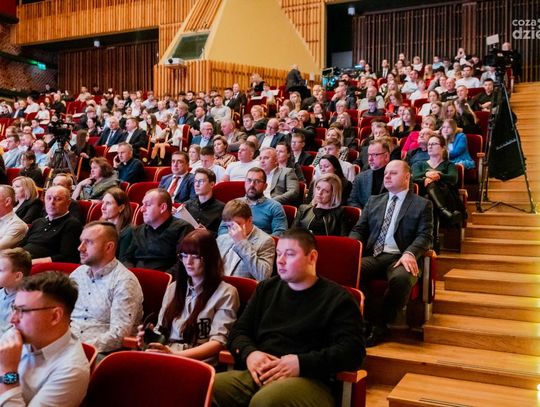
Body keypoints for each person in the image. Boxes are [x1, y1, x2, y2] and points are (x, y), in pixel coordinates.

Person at [212, 228, 365, 407]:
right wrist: (250, 353)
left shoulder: (338, 299)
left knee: (266, 401)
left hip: (310, 378)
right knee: (206, 387)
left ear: (312, 257)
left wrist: (300, 363)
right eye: (279, 254)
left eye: (290, 254)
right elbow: (238, 333)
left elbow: (352, 351)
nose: (281, 261)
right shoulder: (266, 289)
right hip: (261, 372)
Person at [349, 160, 433, 346]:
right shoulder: (374, 201)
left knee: (401, 279)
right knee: (348, 270)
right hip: (375, 255)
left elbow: (425, 236)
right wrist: (352, 247)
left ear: (407, 177)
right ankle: (367, 319)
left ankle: (379, 324)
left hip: (401, 257)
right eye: (386, 173)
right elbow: (359, 229)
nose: (386, 176)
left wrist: (410, 253)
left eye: (393, 173)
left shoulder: (422, 204)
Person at [136, 229, 239, 364]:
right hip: (167, 354)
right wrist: (149, 340)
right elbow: (161, 331)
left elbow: (218, 342)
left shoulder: (226, 293)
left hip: (198, 361)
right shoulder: (174, 288)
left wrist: (175, 355)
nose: (188, 262)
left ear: (209, 258)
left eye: (195, 256)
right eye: (184, 255)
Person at [0, 271, 90, 406]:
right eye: (14, 308)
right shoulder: (18, 333)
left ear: (55, 316)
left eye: (22, 311)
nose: (12, 319)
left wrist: (8, 371)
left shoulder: (71, 370)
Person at [70, 221, 143, 354]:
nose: (80, 248)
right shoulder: (78, 274)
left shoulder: (124, 281)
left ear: (108, 247)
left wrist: (78, 349)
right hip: (69, 346)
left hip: (101, 353)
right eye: (81, 241)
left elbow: (118, 335)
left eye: (89, 242)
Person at [122, 189, 194, 273]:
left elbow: (182, 263)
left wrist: (161, 278)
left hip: (165, 278)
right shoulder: (139, 229)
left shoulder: (183, 228)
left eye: (148, 205)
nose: (142, 209)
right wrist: (131, 274)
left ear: (163, 208)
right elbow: (127, 258)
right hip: (136, 277)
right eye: (143, 204)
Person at [412, 135, 464, 245]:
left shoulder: (449, 164)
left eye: (434, 144)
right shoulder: (419, 164)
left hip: (446, 198)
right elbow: (413, 177)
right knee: (429, 199)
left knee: (429, 199)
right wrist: (426, 175)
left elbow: (453, 178)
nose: (430, 146)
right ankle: (444, 212)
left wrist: (439, 176)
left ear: (443, 148)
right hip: (422, 198)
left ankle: (433, 243)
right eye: (429, 144)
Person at [21, 186, 83, 264]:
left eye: (58, 199)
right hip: (21, 261)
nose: (52, 202)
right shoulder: (37, 222)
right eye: (48, 198)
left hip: (42, 267)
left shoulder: (72, 225)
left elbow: (68, 257)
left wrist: (33, 262)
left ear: (68, 203)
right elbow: (22, 244)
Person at [216, 199, 275, 281]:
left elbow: (263, 276)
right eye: (229, 226)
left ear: (250, 220)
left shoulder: (266, 241)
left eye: (237, 224)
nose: (232, 230)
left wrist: (241, 242)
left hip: (241, 287)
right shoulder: (222, 239)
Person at [219, 168, 288, 237]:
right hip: (233, 241)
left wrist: (253, 241)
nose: (252, 185)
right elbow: (222, 229)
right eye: (249, 180)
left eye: (257, 181)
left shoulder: (274, 207)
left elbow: (280, 233)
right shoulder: (234, 204)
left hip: (261, 242)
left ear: (265, 186)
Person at [349, 139, 391, 209]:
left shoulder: (398, 177)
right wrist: (364, 214)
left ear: (386, 156)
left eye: (374, 155)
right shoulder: (360, 178)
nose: (370, 159)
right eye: (369, 155)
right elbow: (353, 201)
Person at [183, 168, 225, 235]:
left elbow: (223, 234)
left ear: (212, 184)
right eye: (195, 181)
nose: (197, 185)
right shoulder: (187, 205)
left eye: (201, 181)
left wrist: (207, 233)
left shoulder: (222, 208)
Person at [0, 248, 31, 334]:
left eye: (0, 270)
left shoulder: (24, 303)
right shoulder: (2, 292)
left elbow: (12, 333)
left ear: (17, 276)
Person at [101, 187, 133, 259]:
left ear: (121, 208)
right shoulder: (98, 227)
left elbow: (123, 261)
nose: (103, 207)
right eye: (102, 203)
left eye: (108, 203)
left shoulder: (128, 232)